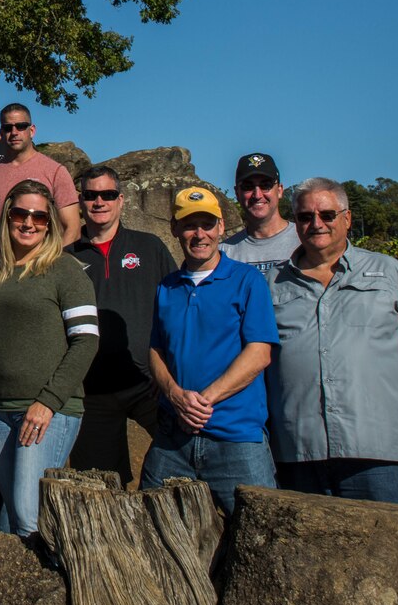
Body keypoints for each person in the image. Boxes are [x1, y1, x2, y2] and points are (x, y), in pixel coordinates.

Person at [268, 178, 398, 503]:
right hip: (297, 452)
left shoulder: (390, 273)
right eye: (305, 216)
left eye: (327, 215)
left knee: (385, 551)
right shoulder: (271, 284)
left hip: (376, 453)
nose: (316, 224)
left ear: (347, 218)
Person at [0, 181, 99, 541]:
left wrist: (47, 402)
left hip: (46, 413)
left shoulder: (65, 270)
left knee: (29, 518)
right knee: (11, 520)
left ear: (50, 222)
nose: (28, 222)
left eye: (39, 216)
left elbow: (86, 342)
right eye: (20, 213)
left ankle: (52, 594)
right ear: (7, 217)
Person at [141, 187, 278, 516]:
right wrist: (175, 396)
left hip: (236, 436)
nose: (199, 234)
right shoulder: (167, 287)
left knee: (255, 531)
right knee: (148, 523)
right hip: (175, 436)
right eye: (189, 225)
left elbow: (260, 353)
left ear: (220, 227)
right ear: (175, 229)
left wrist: (204, 401)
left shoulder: (247, 281)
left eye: (206, 224)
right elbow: (156, 350)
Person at [67, 164, 176, 479]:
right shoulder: (66, 258)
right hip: (92, 391)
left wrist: (167, 371)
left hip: (148, 384)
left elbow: (174, 310)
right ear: (81, 201)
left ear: (121, 199)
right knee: (100, 485)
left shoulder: (149, 247)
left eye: (108, 194)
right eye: (91, 195)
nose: (99, 202)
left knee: (182, 459)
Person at [0, 104, 81, 238]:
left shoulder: (56, 172)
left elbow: (72, 229)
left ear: (32, 130)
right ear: (1, 133)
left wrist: (56, 259)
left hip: (44, 258)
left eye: (21, 126)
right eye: (8, 128)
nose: (14, 132)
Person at [223, 152, 298, 274]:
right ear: (237, 193)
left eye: (265, 185)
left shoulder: (304, 240)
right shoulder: (224, 253)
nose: (257, 195)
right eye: (248, 186)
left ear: (279, 190)